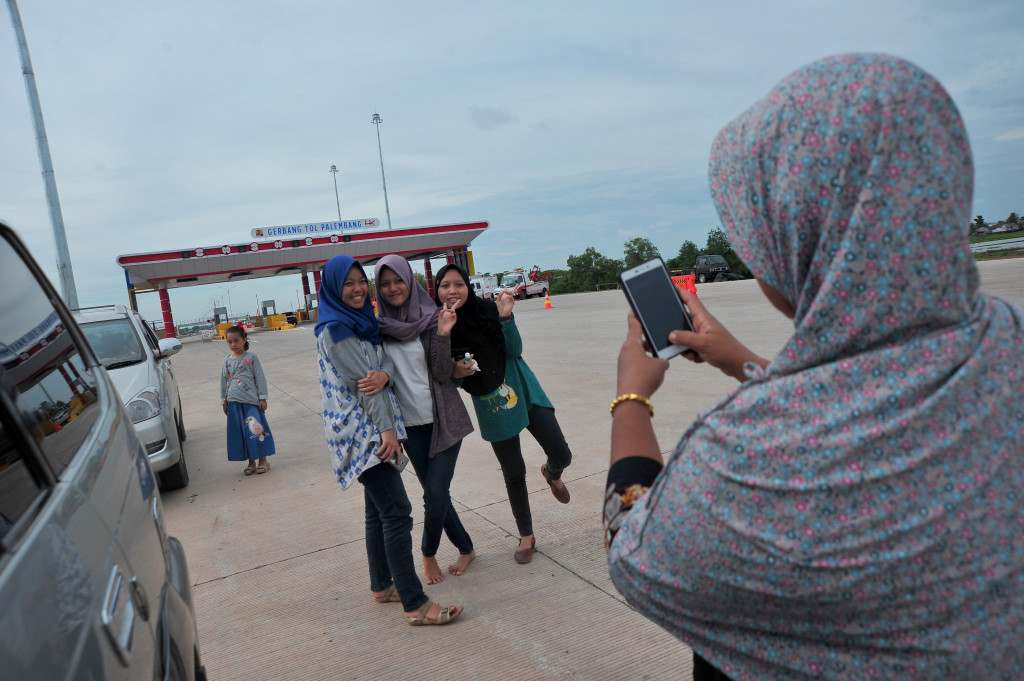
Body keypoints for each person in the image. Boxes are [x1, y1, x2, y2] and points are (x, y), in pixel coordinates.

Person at [605, 53, 1024, 680]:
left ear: (797, 237)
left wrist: (630, 401)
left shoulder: (749, 460)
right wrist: (741, 361)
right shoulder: (1008, 342)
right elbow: (871, 395)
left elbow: (635, 549)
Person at [315, 254, 462, 626]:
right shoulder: (338, 329)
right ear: (333, 288)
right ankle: (414, 603)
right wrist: (387, 432)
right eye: (347, 283)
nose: (357, 289)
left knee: (376, 512)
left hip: (371, 428)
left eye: (360, 281)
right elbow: (364, 387)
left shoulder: (361, 324)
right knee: (397, 513)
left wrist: (384, 374)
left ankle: (382, 585)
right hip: (364, 433)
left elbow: (382, 369)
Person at [434, 264, 572, 564]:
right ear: (437, 291)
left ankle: (552, 473)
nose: (453, 290)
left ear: (468, 288)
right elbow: (444, 373)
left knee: (562, 453)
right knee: (514, 472)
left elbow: (515, 348)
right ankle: (526, 534)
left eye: (459, 284)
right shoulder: (440, 325)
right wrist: (456, 370)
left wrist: (506, 316)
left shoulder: (488, 310)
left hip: (521, 386)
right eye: (445, 285)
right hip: (490, 403)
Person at [374, 255, 476, 585]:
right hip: (411, 427)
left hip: (443, 419)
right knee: (438, 495)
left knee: (434, 494)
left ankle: (428, 553)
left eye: (398, 280)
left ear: (409, 279)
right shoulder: (378, 328)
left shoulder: (432, 319)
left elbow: (443, 373)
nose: (393, 288)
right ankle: (466, 548)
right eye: (385, 283)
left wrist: (444, 333)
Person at [221, 325, 275, 475]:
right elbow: (224, 381)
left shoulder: (251, 358)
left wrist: (262, 397)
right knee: (242, 433)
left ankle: (263, 460)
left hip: (251, 402)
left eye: (236, 340)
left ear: (244, 340)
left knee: (256, 430)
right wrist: (224, 401)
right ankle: (251, 462)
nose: (233, 344)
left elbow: (260, 378)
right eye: (229, 341)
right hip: (233, 403)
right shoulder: (226, 362)